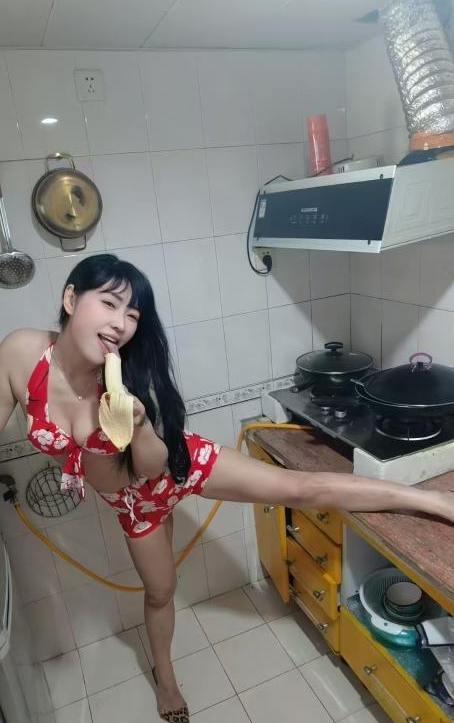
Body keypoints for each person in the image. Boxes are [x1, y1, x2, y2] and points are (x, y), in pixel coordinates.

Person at [0, 253, 453, 722]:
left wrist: (137, 423)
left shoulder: (127, 376)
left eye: (132, 315)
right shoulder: (20, 354)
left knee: (299, 487)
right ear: (71, 298)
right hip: (133, 506)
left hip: (176, 464)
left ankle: (430, 499)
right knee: (160, 592)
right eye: (110, 304)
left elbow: (152, 466)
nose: (121, 324)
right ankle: (165, 678)